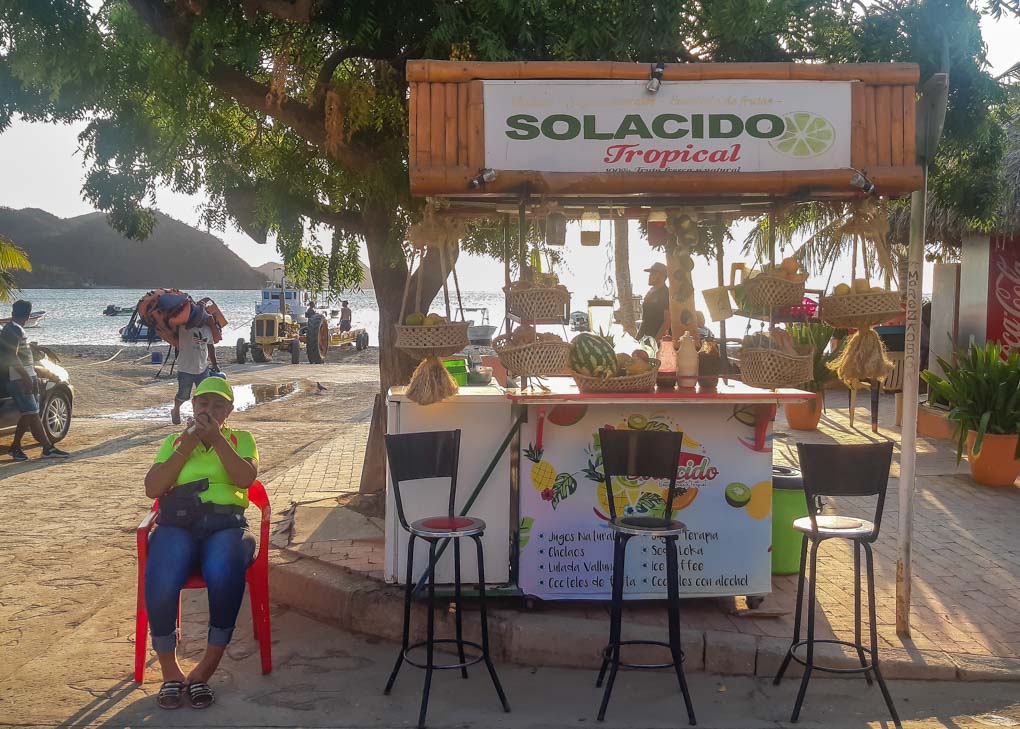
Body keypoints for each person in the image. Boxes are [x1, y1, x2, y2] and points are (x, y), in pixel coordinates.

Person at [143, 376, 258, 710]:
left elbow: (245, 479)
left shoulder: (241, 439)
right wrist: (188, 445)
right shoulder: (173, 442)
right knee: (162, 573)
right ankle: (170, 672)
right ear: (193, 407)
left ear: (229, 412)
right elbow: (153, 487)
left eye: (218, 404)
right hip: (178, 524)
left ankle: (207, 667)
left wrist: (218, 440)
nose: (209, 410)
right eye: (203, 403)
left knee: (223, 569)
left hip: (226, 525)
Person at [0, 300, 70, 460]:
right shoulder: (12, 330)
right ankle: (44, 448)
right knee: (31, 412)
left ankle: (22, 447)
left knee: (31, 413)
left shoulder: (14, 329)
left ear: (13, 313)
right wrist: (25, 377)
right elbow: (12, 356)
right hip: (17, 377)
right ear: (28, 315)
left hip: (24, 375)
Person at [171, 316, 219, 426]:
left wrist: (215, 364)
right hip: (185, 369)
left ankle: (199, 417)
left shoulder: (207, 330)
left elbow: (211, 347)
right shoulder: (184, 328)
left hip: (203, 368)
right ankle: (176, 410)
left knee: (204, 395)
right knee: (183, 395)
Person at [636, 262, 670, 341]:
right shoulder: (650, 293)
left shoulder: (666, 294)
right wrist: (637, 338)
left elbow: (667, 322)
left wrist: (655, 342)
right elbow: (645, 320)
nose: (649, 276)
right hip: (644, 339)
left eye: (652, 274)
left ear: (660, 275)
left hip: (656, 341)